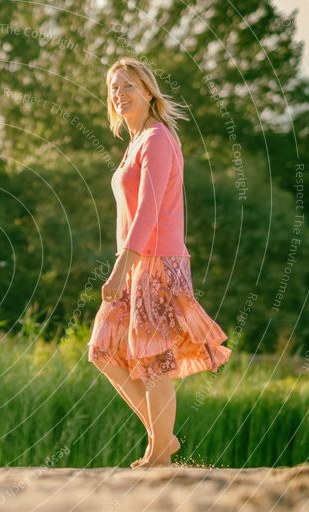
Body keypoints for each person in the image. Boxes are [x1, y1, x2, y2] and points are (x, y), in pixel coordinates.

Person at [87, 57, 232, 468]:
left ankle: (157, 455)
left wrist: (119, 268)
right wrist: (124, 265)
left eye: (128, 86)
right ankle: (162, 440)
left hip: (155, 262)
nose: (120, 94)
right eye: (114, 88)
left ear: (149, 91)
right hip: (135, 262)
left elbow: (149, 212)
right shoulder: (135, 143)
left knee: (152, 362)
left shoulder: (157, 138)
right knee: (103, 350)